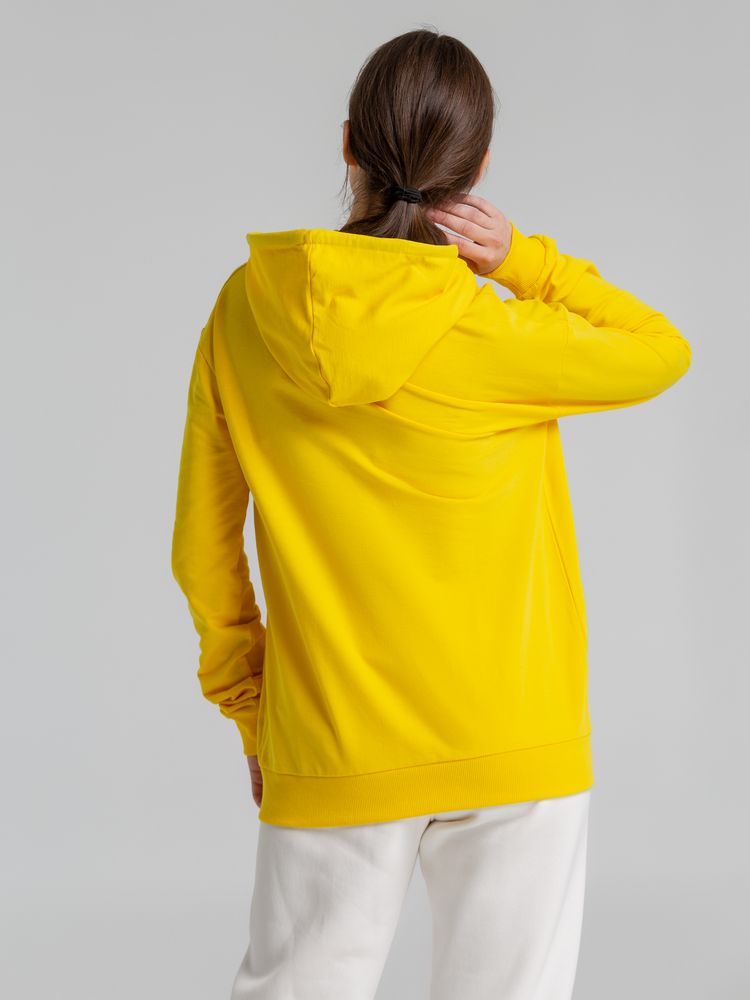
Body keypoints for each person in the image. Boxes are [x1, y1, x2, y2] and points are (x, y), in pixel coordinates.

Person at [170, 27, 691, 1000]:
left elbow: (203, 547)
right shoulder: (495, 329)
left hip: (330, 736)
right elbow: (661, 349)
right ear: (478, 168)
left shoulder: (244, 313)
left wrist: (254, 714)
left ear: (347, 144)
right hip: (514, 737)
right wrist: (527, 261)